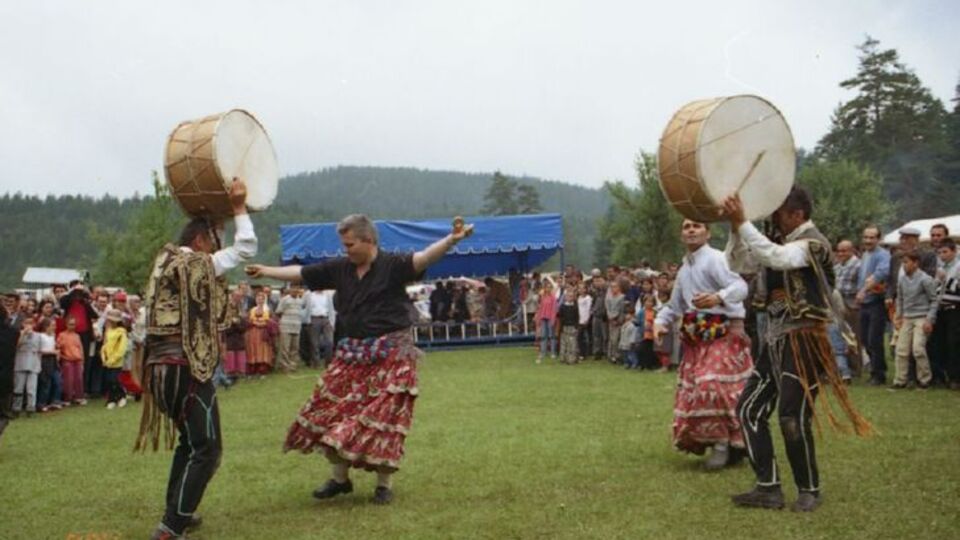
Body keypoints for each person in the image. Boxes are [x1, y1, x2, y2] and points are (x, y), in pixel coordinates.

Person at [245, 213, 473, 505]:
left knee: (383, 418)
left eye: (350, 244)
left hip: (392, 356)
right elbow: (302, 273)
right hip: (350, 355)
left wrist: (452, 240)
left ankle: (384, 485)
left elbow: (426, 257)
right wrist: (266, 270)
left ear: (369, 241)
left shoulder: (393, 265)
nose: (346, 250)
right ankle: (340, 480)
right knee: (332, 410)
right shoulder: (341, 268)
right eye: (344, 244)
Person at [723, 188, 872, 512]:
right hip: (774, 339)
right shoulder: (777, 242)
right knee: (748, 409)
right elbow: (737, 261)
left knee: (792, 415)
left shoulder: (813, 243)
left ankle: (809, 489)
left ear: (796, 215)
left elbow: (778, 258)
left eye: (778, 214)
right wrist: (736, 229)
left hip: (803, 340)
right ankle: (768, 488)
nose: (773, 221)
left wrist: (743, 222)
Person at [135, 179, 256, 540]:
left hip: (160, 367)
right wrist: (237, 208)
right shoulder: (190, 262)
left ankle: (177, 513)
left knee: (190, 443)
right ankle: (172, 527)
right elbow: (246, 247)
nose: (216, 250)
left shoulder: (164, 261)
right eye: (214, 241)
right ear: (201, 241)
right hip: (183, 366)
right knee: (208, 448)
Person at [653, 219, 752, 471]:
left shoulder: (717, 259)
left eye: (697, 226)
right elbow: (675, 306)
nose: (691, 230)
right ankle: (728, 444)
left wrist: (718, 297)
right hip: (696, 338)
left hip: (725, 333)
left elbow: (740, 286)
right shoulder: (685, 267)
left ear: (708, 233)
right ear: (681, 234)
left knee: (713, 386)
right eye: (686, 226)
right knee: (701, 390)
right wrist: (660, 322)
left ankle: (726, 446)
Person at [891, 251, 939, 390]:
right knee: (901, 350)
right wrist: (898, 316)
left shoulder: (925, 279)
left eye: (906, 262)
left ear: (915, 263)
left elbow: (933, 300)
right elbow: (899, 298)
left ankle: (925, 380)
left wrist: (929, 320)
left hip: (921, 317)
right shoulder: (902, 279)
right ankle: (900, 380)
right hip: (907, 317)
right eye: (903, 262)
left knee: (918, 349)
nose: (904, 265)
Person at [856, 225, 891, 385]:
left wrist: (863, 290)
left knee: (874, 339)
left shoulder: (883, 255)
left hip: (876, 301)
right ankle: (876, 369)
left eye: (872, 238)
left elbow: (881, 273)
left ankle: (879, 374)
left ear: (879, 239)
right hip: (864, 303)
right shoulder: (865, 255)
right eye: (866, 237)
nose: (868, 241)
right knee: (864, 338)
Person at [931, 239, 960, 389]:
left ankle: (955, 377)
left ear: (954, 251)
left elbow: (956, 287)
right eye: (940, 252)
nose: (942, 255)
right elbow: (935, 287)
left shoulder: (958, 266)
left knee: (953, 343)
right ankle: (942, 375)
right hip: (940, 308)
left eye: (945, 252)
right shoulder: (941, 266)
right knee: (939, 342)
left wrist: (945, 279)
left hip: (954, 308)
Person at [13, 316, 42, 416]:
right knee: (18, 388)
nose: (28, 325)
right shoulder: (18, 334)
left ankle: (30, 407)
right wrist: (23, 334)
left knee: (31, 388)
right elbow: (15, 346)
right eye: (26, 323)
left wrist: (39, 364)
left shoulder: (38, 336)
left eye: (31, 323)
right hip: (20, 362)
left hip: (33, 363)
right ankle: (16, 408)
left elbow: (40, 351)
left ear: (34, 324)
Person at [100, 309, 129, 409]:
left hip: (116, 361)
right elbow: (104, 345)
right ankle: (112, 399)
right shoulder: (108, 331)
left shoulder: (121, 332)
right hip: (107, 360)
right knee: (108, 380)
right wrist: (104, 358)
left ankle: (122, 396)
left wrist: (113, 359)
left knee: (114, 379)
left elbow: (121, 349)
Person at [275, 286, 305, 373]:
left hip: (297, 326)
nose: (295, 290)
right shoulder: (285, 299)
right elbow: (278, 311)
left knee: (295, 348)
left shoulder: (300, 301)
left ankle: (293, 366)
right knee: (285, 347)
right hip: (286, 326)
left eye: (297, 289)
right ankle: (284, 366)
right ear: (290, 290)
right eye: (293, 289)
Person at [57, 316, 86, 405]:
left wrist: (82, 360)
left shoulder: (77, 335)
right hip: (67, 360)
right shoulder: (62, 335)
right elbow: (58, 347)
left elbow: (80, 348)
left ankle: (78, 397)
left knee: (79, 379)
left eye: (73, 324)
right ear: (66, 325)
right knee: (68, 380)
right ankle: (67, 398)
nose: (72, 326)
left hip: (77, 360)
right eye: (70, 324)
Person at [246, 290, 274, 376]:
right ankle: (253, 369)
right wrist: (254, 322)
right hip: (253, 333)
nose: (259, 300)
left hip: (263, 333)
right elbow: (248, 320)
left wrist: (263, 323)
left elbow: (271, 322)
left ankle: (263, 369)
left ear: (264, 300)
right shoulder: (252, 310)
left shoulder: (268, 310)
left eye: (262, 299)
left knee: (263, 350)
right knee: (253, 349)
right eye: (258, 299)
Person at [535, 281, 558, 363]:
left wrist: (553, 319)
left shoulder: (553, 298)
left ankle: (553, 352)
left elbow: (554, 309)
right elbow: (540, 308)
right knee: (543, 336)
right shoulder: (543, 297)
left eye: (549, 287)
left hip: (550, 318)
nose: (548, 289)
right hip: (543, 318)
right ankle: (543, 352)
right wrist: (538, 319)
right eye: (546, 287)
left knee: (552, 336)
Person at [556, 285, 579, 365]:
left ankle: (571, 359)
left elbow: (577, 317)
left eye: (571, 296)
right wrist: (560, 327)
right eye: (568, 296)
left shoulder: (575, 307)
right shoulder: (562, 307)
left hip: (572, 327)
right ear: (565, 297)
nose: (570, 298)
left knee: (572, 343)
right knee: (564, 343)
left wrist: (576, 326)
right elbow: (560, 317)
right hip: (564, 327)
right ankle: (563, 358)